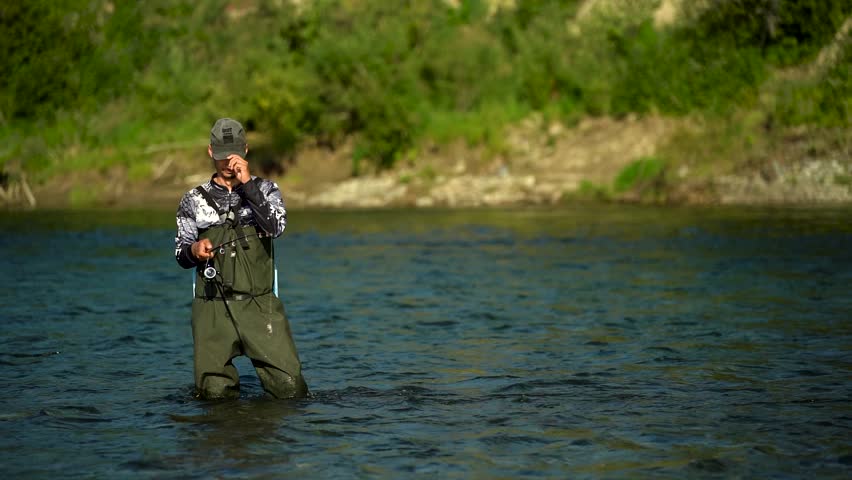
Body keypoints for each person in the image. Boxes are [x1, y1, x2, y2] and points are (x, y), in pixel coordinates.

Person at [174, 118, 308, 400]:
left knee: (291, 389)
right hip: (212, 309)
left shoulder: (267, 190)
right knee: (214, 395)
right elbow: (181, 254)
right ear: (211, 152)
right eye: (222, 155)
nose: (228, 162)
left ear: (245, 150)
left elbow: (276, 228)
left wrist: (248, 184)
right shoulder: (192, 199)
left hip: (260, 305)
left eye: (233, 154)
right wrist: (195, 250)